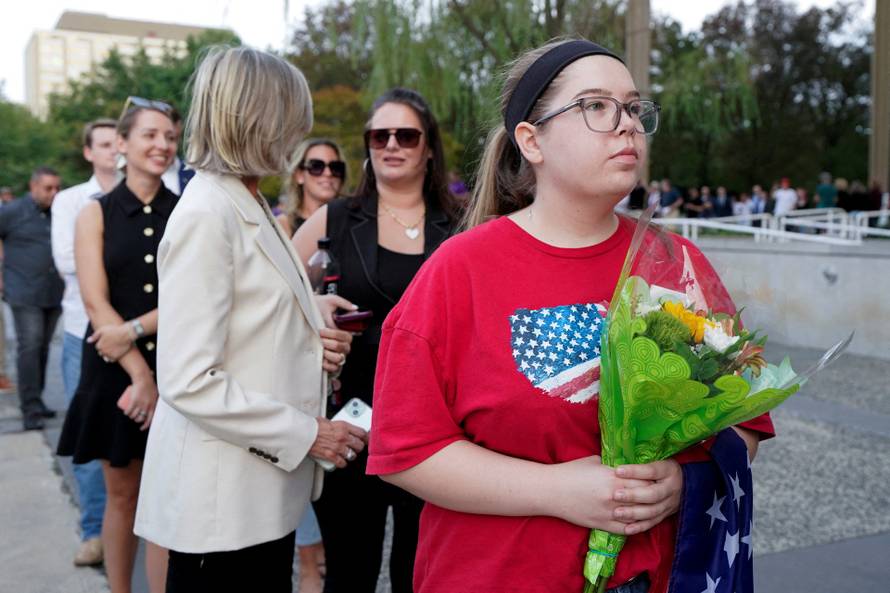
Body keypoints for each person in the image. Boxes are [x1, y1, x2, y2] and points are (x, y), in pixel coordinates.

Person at [365, 39, 774, 593]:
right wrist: (556, 490)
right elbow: (404, 452)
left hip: (656, 575)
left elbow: (743, 420)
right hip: (496, 577)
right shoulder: (458, 271)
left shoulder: (679, 265)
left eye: (633, 107)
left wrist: (680, 482)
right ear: (531, 141)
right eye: (596, 106)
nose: (626, 124)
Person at [133, 46, 361, 593]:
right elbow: (188, 379)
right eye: (290, 123)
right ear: (257, 121)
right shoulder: (207, 214)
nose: (297, 138)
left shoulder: (247, 201)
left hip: (254, 495)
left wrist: (311, 329)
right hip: (222, 509)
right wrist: (308, 434)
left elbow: (250, 316)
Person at [293, 87, 456, 593]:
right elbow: (273, 297)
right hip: (351, 424)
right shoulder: (334, 218)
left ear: (428, 146)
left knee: (422, 572)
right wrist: (311, 308)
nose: (391, 144)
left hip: (437, 431)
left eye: (405, 134)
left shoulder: (460, 225)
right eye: (378, 135)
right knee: (350, 572)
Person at [56, 100, 178, 593]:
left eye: (170, 136)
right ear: (122, 144)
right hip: (114, 371)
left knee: (167, 498)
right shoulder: (94, 212)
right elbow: (94, 301)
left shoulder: (186, 212)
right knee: (122, 494)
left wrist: (136, 335)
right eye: (150, 134)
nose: (162, 145)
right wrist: (139, 375)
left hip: (178, 365)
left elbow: (194, 299)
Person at [51, 117, 119, 567]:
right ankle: (95, 530)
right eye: (105, 144)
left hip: (144, 330)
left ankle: (133, 525)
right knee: (91, 435)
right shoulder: (71, 200)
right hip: (84, 331)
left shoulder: (154, 198)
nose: (115, 150)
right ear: (88, 152)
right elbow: (67, 261)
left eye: (120, 142)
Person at [0, 166, 64, 430]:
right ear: (34, 186)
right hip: (23, 289)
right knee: (30, 345)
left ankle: (37, 400)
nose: (53, 193)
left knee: (44, 347)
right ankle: (29, 409)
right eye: (48, 188)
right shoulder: (12, 212)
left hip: (53, 290)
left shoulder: (58, 212)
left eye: (56, 188)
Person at [278, 139, 347, 238]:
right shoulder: (283, 226)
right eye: (316, 166)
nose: (328, 173)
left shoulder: (353, 224)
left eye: (335, 167)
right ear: (299, 175)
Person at [160, 107, 195, 196]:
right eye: (151, 136)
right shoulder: (130, 175)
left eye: (171, 138)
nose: (163, 145)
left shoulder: (193, 175)